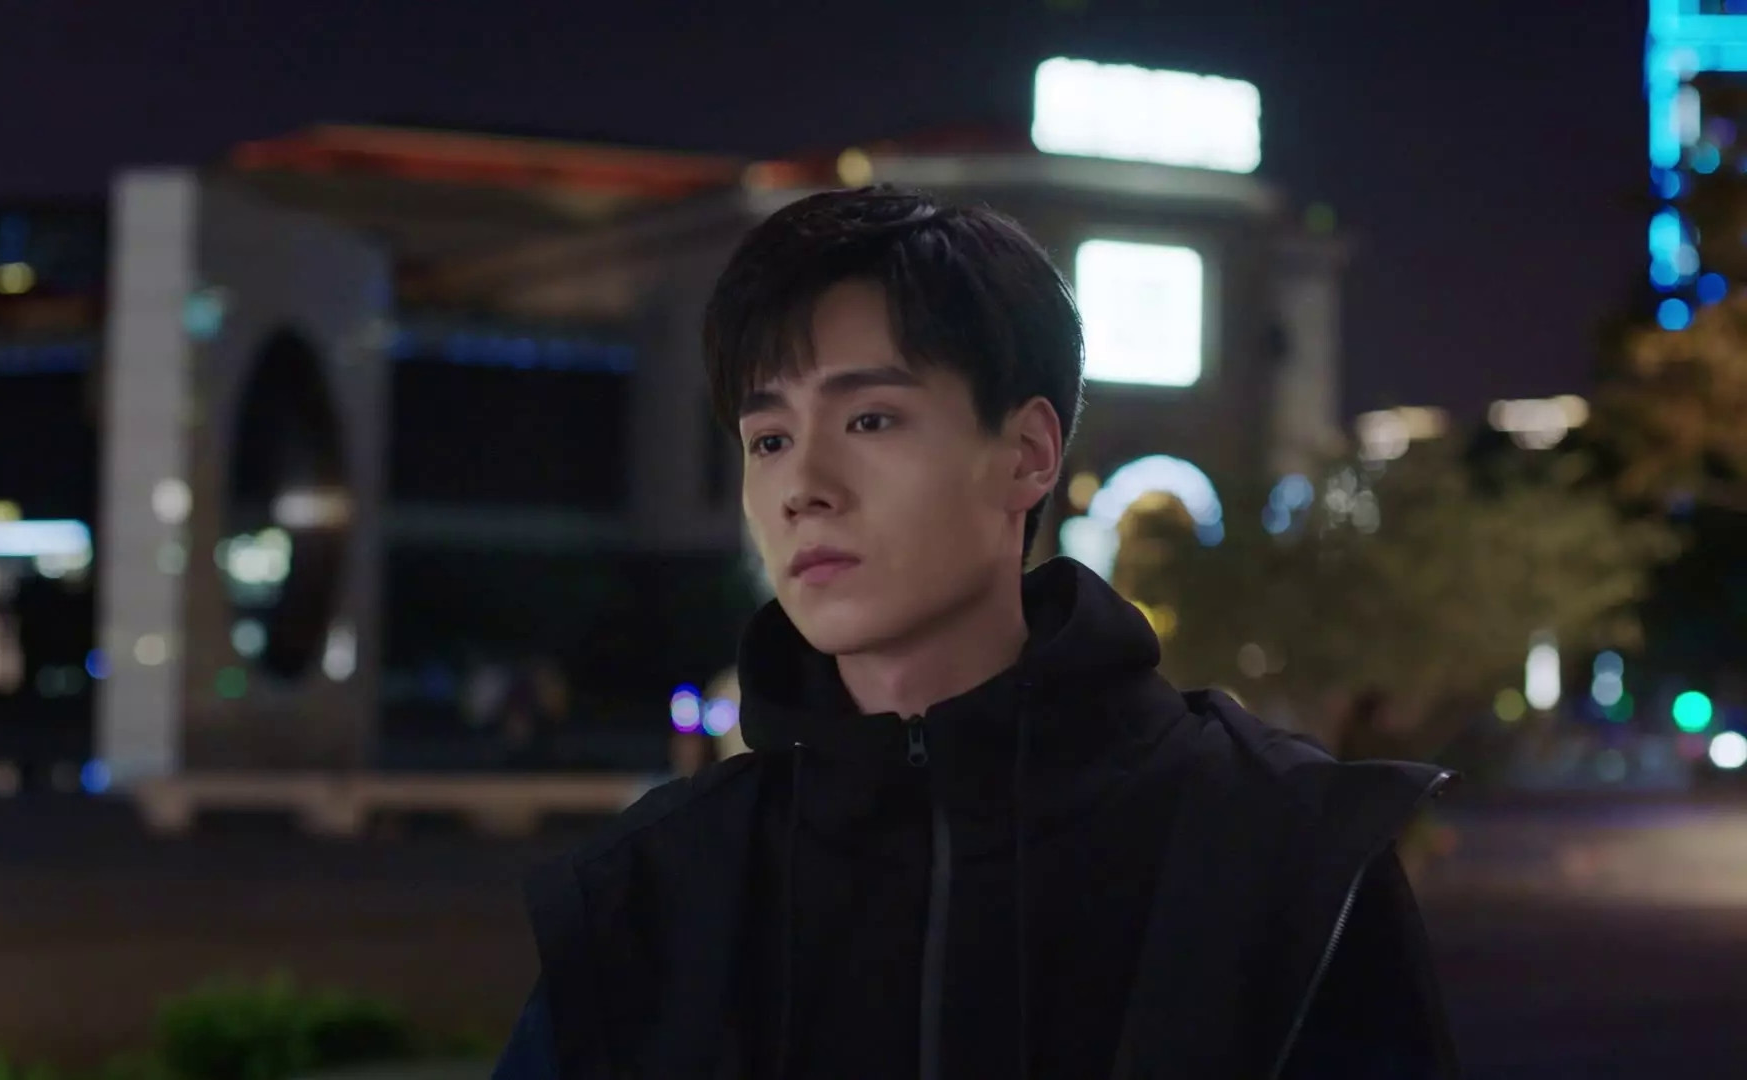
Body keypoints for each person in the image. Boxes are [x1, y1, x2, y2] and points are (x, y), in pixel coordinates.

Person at [492, 186, 1459, 1079]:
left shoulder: (1283, 850)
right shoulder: (656, 889)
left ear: (1028, 453)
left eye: (870, 420)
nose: (804, 488)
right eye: (770, 439)